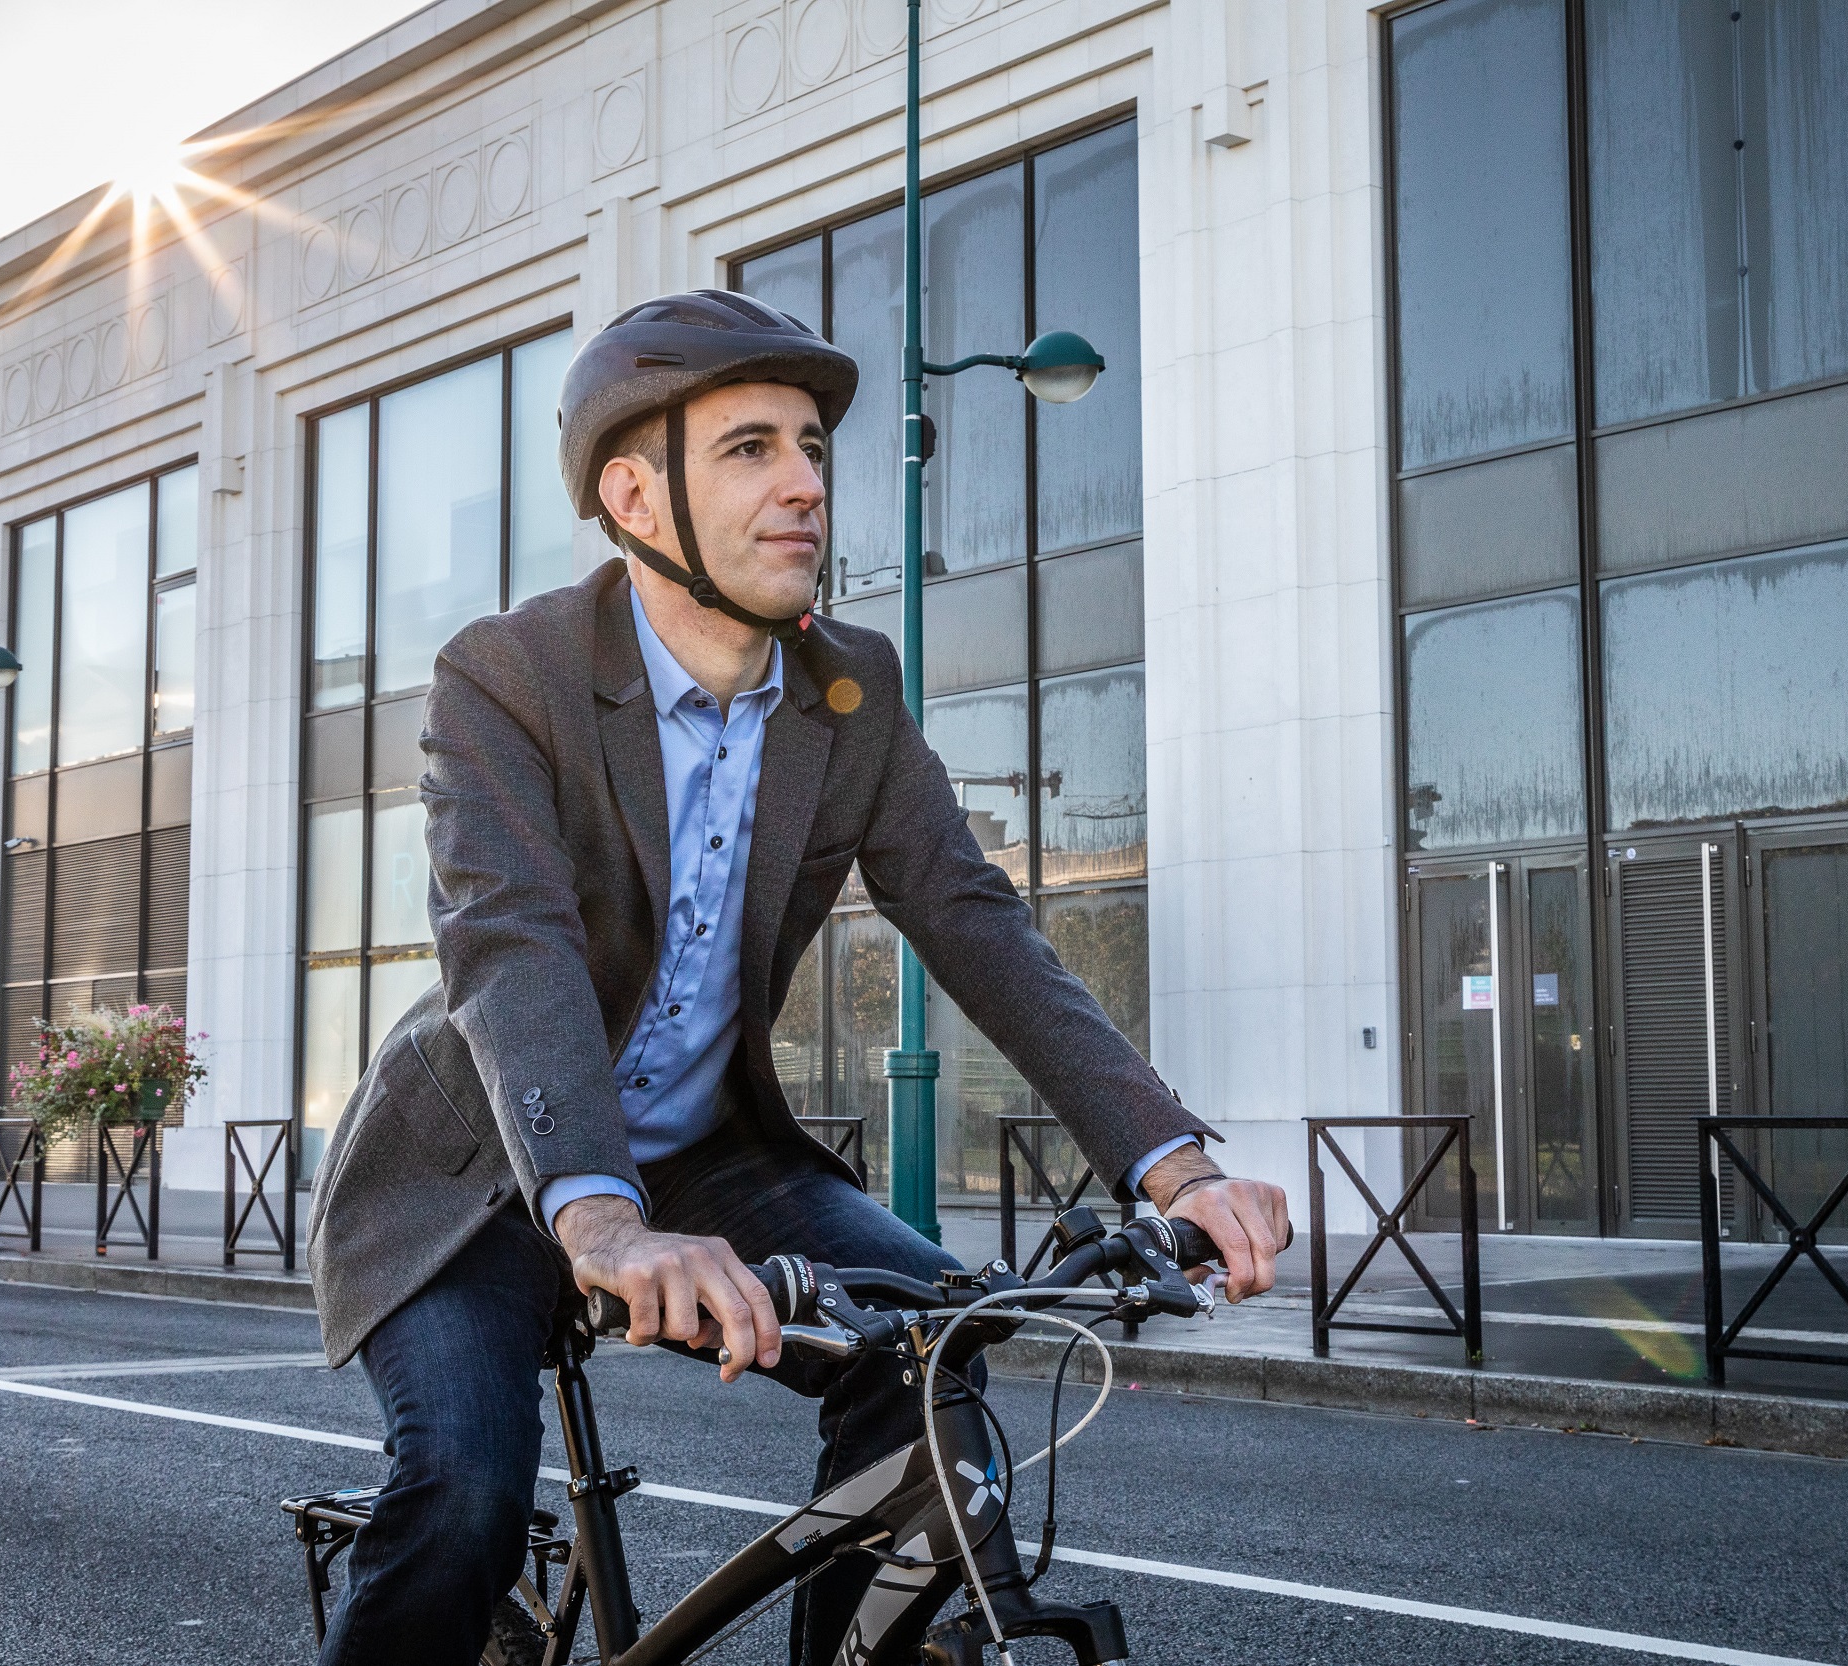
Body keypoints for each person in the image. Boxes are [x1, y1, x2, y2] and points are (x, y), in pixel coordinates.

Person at [305, 289, 1291, 1666]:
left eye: (815, 446)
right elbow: (511, 945)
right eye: (752, 448)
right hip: (473, 1179)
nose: (806, 485)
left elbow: (977, 920)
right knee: (464, 1483)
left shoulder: (851, 690)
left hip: (705, 1155)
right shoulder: (509, 675)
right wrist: (601, 1224)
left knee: (931, 1355)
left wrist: (1174, 1165)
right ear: (636, 495)